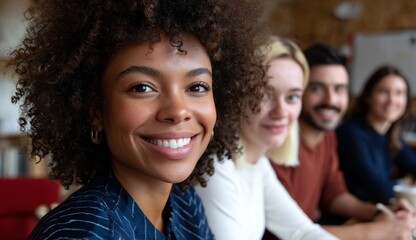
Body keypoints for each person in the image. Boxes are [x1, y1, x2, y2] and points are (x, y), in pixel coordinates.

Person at [7, 0, 269, 239]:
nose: (178, 111)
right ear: (95, 110)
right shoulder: (80, 233)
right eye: (142, 87)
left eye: (197, 87)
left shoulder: (184, 203)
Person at [265, 44, 416, 240]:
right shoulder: (276, 142)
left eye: (339, 89)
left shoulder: (327, 136)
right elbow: (285, 234)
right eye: (317, 88)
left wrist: (379, 212)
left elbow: (334, 195)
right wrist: (375, 231)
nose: (331, 99)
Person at [195, 36, 338, 240]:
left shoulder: (258, 164)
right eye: (264, 94)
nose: (281, 111)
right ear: (237, 95)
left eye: (292, 97)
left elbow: (301, 231)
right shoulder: (216, 166)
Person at [336, 65, 416, 204]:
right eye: (384, 92)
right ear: (368, 96)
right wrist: (409, 185)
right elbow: (378, 189)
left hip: (378, 211)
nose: (392, 100)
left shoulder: (390, 136)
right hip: (353, 216)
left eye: (399, 93)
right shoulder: (351, 133)